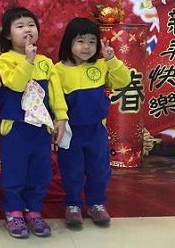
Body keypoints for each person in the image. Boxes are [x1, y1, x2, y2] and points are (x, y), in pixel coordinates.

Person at [0, 6, 68, 239]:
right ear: (8, 35)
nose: (27, 29)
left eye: (31, 25)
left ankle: (33, 210)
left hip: (40, 129)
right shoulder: (6, 59)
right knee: (14, 171)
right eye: (20, 26)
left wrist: (61, 117)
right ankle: (14, 211)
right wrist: (28, 60)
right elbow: (15, 85)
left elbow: (56, 93)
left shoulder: (46, 62)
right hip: (15, 127)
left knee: (41, 171)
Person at [54, 17, 131, 227]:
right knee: (72, 170)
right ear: (69, 42)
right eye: (80, 41)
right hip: (71, 132)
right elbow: (54, 100)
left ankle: (96, 203)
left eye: (92, 41)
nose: (86, 47)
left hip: (96, 130)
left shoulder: (101, 65)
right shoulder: (57, 70)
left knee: (100, 169)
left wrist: (111, 60)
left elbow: (124, 81)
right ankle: (73, 204)